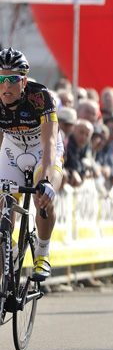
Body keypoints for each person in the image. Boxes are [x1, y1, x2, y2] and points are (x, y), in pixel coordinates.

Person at [0, 48, 63, 281]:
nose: (6, 85)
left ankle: (43, 253)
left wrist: (45, 180)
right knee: (2, 202)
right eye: (0, 79)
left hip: (41, 150)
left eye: (12, 79)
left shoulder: (41, 98)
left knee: (42, 196)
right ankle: (10, 246)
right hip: (12, 149)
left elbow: (49, 143)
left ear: (24, 81)